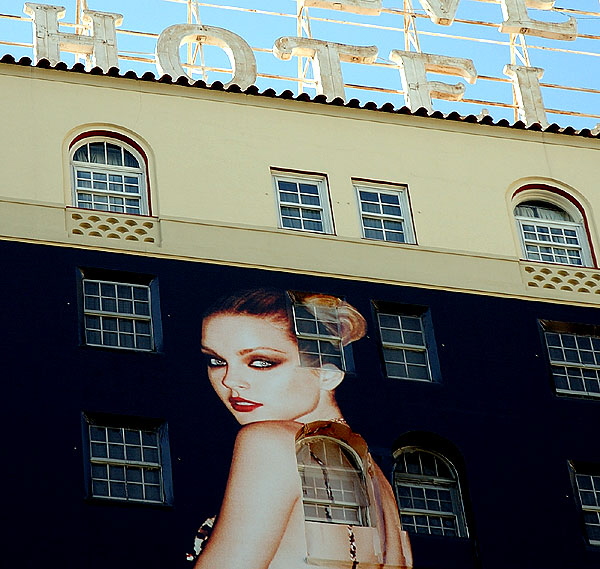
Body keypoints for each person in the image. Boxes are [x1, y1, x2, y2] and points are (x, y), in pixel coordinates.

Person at [191, 288, 412, 569]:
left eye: (261, 362)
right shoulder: (375, 476)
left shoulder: (271, 442)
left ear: (327, 373)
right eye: (216, 361)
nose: (231, 380)